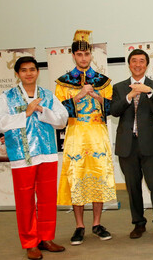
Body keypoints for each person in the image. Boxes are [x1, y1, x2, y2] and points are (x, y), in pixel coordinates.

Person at [0, 56, 68, 260]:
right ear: (17, 74)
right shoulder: (8, 97)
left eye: (32, 69)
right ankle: (30, 243)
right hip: (21, 155)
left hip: (47, 153)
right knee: (25, 201)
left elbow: (62, 119)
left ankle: (46, 238)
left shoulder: (48, 96)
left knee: (48, 199)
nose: (29, 73)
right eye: (24, 70)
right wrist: (25, 113)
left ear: (38, 72)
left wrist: (41, 109)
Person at [55, 30, 117, 246]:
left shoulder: (103, 81)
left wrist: (97, 96)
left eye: (86, 54)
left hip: (98, 136)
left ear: (91, 55)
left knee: (98, 177)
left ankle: (97, 223)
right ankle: (79, 225)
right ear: (73, 56)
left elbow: (111, 108)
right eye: (79, 54)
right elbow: (58, 113)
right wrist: (79, 95)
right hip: (76, 137)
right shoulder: (63, 83)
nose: (83, 58)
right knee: (77, 179)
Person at [111, 49, 153, 241]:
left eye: (141, 61)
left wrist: (148, 93)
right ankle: (138, 223)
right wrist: (130, 95)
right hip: (127, 146)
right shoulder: (119, 87)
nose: (137, 64)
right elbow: (114, 111)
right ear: (129, 64)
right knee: (132, 187)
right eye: (134, 61)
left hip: (150, 145)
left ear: (146, 64)